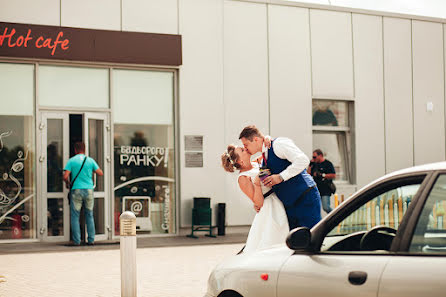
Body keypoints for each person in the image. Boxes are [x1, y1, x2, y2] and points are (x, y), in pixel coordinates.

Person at [239, 125, 321, 230]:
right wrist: (258, 202)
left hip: (305, 198)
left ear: (255, 139)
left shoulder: (278, 144)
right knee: (297, 242)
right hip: (289, 206)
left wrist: (281, 177)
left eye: (246, 145)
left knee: (313, 238)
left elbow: (303, 160)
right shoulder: (263, 159)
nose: (245, 149)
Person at [221, 144, 289, 253]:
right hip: (270, 208)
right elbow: (258, 202)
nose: (245, 149)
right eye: (242, 150)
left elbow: (268, 152)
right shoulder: (243, 178)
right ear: (240, 162)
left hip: (280, 198)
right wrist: (257, 183)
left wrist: (266, 139)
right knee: (273, 240)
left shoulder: (256, 162)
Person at [63, 142, 103, 246]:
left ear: (75, 150)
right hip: (89, 190)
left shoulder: (72, 161)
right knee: (89, 215)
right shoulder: (90, 160)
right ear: (84, 149)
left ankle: (77, 241)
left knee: (75, 216)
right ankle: (91, 240)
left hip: (76, 190)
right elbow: (100, 173)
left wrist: (68, 183)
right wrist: (90, 172)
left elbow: (65, 175)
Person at [309, 149, 336, 214]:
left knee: (326, 207)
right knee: (314, 208)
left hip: (325, 189)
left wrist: (322, 175)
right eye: (313, 157)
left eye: (315, 157)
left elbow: (333, 175)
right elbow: (308, 174)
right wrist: (310, 165)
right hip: (316, 189)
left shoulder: (328, 164)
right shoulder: (314, 165)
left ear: (320, 155)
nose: (313, 159)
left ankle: (335, 216)